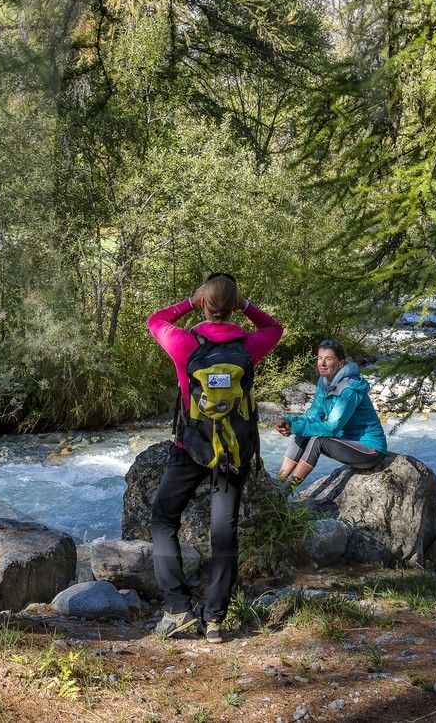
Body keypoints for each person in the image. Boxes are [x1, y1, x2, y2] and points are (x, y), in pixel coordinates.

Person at [146, 272, 283, 644]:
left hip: (191, 448)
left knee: (163, 519)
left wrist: (189, 303)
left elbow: (155, 320)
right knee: (223, 534)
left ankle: (177, 609)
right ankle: (214, 620)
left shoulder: (184, 343)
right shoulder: (248, 346)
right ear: (234, 305)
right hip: (233, 452)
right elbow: (275, 328)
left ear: (204, 303)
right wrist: (247, 305)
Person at [273, 339, 387, 489]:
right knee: (302, 434)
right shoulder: (324, 383)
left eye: (328, 359)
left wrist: (294, 427)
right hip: (346, 441)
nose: (322, 363)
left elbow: (331, 428)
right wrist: (289, 421)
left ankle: (285, 493)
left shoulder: (348, 390)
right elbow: (312, 416)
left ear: (341, 363)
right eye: (320, 358)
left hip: (369, 450)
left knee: (317, 441)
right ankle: (276, 486)